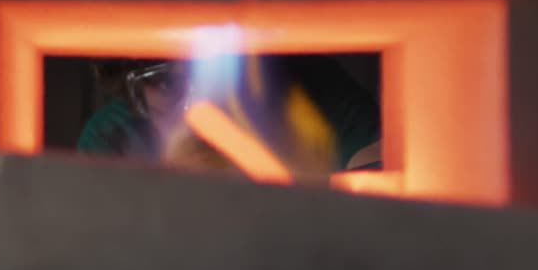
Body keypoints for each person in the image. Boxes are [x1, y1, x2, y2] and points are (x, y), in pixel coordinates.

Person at [76, 54, 382, 173]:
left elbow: (379, 170)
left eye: (215, 76)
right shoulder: (112, 135)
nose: (199, 108)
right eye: (167, 83)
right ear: (132, 92)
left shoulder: (309, 92)